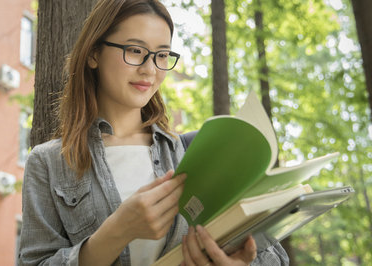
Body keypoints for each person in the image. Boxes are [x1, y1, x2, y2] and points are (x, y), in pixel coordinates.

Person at [18, 0, 289, 265]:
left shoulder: (194, 151)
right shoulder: (48, 162)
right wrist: (117, 231)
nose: (149, 70)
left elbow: (274, 256)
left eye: (161, 56)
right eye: (135, 50)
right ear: (93, 53)